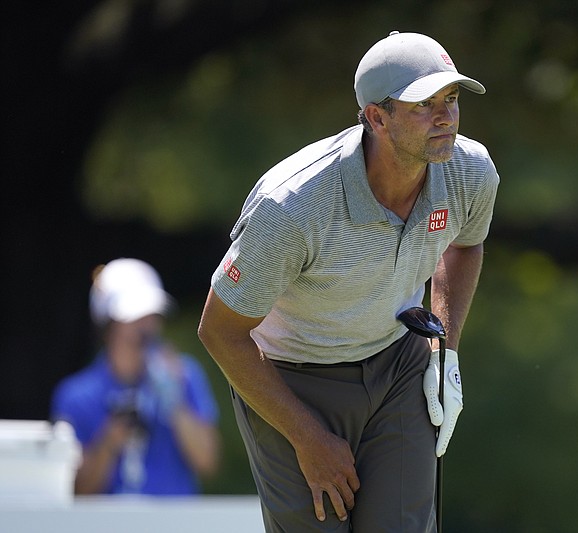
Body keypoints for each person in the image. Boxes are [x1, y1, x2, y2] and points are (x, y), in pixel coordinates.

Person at [198, 31, 499, 531]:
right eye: (424, 105)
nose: (446, 117)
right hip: (293, 378)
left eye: (451, 99)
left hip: (399, 364)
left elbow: (466, 244)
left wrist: (446, 356)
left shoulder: (470, 171)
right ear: (377, 118)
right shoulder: (293, 206)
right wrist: (307, 437)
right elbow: (219, 331)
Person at [52, 258, 220, 495]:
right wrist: (110, 442)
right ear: (108, 324)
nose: (147, 327)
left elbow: (207, 463)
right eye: (134, 317)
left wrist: (175, 403)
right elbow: (77, 490)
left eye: (152, 315)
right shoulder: (76, 395)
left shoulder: (184, 375)